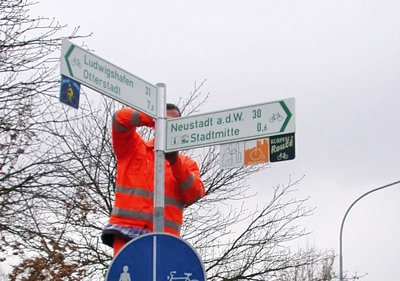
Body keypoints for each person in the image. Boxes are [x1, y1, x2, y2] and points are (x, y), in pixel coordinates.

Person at [101, 104, 205, 256]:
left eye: (174, 122)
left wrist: (175, 162)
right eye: (165, 120)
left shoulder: (187, 164)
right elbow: (119, 119)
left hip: (165, 239)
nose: (168, 125)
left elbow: (195, 193)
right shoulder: (133, 149)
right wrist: (153, 118)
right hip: (126, 233)